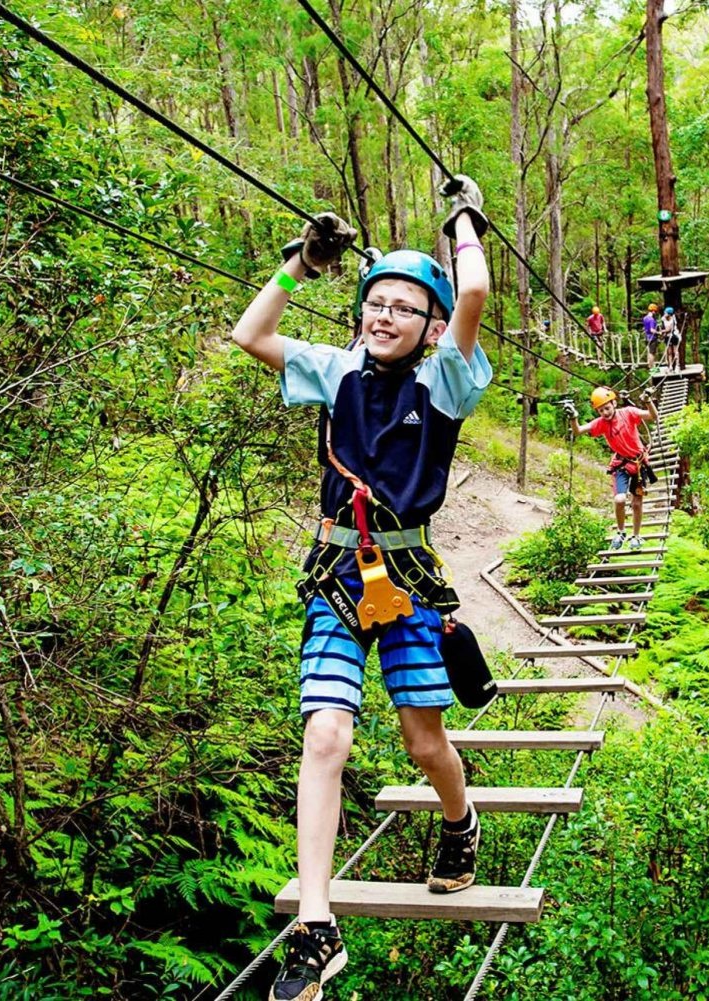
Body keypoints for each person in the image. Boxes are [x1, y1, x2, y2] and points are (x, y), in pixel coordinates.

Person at [231, 177, 492, 1001]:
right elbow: (251, 333)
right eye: (374, 303)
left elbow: (476, 286)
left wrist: (462, 216)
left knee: (423, 743)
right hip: (337, 576)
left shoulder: (444, 379)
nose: (384, 316)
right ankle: (317, 924)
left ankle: (460, 822)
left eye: (404, 308)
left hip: (409, 579)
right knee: (325, 738)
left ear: (431, 325)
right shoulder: (335, 370)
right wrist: (298, 267)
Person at [561, 386, 659, 551]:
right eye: (600, 410)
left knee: (637, 503)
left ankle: (636, 536)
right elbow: (578, 431)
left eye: (607, 408)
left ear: (614, 403)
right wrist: (573, 417)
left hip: (639, 464)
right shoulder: (602, 424)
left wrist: (648, 401)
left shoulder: (628, 413)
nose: (605, 413)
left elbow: (652, 416)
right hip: (621, 465)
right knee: (619, 499)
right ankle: (621, 532)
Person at [661, 306, 682, 371]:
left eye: (666, 313)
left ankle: (677, 365)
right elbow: (663, 327)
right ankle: (670, 366)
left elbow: (669, 329)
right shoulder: (663, 319)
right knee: (669, 352)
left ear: (669, 314)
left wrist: (659, 332)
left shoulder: (673, 320)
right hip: (667, 336)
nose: (664, 313)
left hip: (674, 335)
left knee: (675, 351)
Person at [641, 303, 659, 368]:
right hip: (652, 337)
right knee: (652, 353)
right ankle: (652, 367)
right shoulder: (651, 319)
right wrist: (658, 332)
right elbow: (652, 330)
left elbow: (645, 327)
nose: (655, 313)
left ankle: (649, 366)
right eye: (655, 311)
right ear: (653, 311)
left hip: (646, 337)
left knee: (649, 352)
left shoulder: (645, 318)